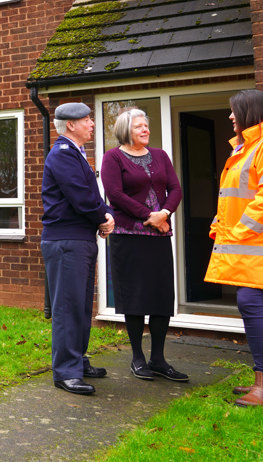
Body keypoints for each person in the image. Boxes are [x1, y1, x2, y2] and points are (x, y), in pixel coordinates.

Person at [100, 109, 187, 382]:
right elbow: (115, 194)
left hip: (159, 236)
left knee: (161, 296)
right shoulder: (112, 157)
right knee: (135, 297)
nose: (145, 129)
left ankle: (158, 359)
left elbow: (175, 188)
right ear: (126, 131)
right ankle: (137, 357)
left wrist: (165, 214)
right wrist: (149, 215)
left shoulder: (160, 155)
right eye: (139, 126)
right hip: (129, 237)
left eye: (146, 125)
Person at [206, 89, 263, 407]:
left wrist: (239, 232)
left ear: (250, 111)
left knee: (250, 302)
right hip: (253, 245)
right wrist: (219, 224)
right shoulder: (248, 146)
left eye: (235, 111)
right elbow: (232, 195)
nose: (230, 116)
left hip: (260, 245)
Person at [42, 102, 115, 395]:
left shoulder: (75, 154)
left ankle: (77, 360)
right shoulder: (62, 154)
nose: (92, 123)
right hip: (66, 241)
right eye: (87, 119)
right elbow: (82, 197)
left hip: (78, 239)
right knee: (67, 308)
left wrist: (105, 214)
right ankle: (65, 372)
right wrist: (104, 216)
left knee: (82, 307)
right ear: (70, 125)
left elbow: (89, 197)